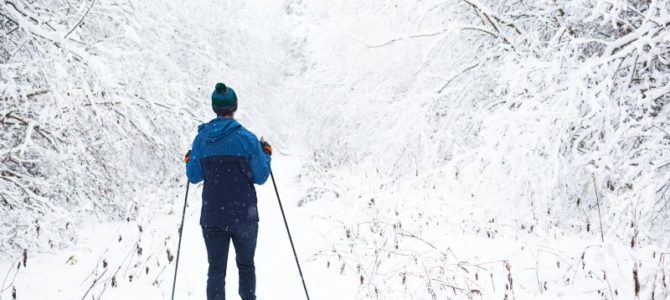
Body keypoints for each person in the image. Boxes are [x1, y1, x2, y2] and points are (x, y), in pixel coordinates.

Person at [185, 82, 272, 300]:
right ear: (234, 107)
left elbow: (194, 175)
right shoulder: (248, 139)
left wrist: (189, 160)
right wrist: (267, 154)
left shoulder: (201, 140)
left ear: (214, 108)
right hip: (244, 216)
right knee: (246, 266)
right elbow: (261, 177)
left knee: (216, 270)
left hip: (213, 216)